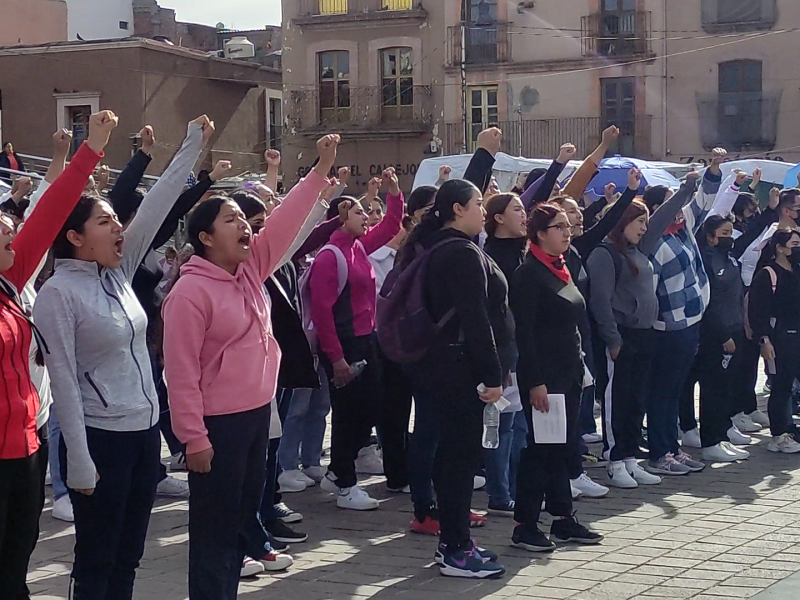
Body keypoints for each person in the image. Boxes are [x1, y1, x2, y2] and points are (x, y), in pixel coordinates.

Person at [35, 115, 207, 600]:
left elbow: (157, 205)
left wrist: (192, 144)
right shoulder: (59, 294)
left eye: (116, 219)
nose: (118, 229)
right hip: (99, 439)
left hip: (143, 432)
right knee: (97, 559)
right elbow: (64, 382)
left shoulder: (118, 271)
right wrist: (80, 462)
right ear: (74, 236)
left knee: (130, 556)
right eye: (105, 221)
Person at [162, 134, 338, 599]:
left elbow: (282, 224)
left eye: (244, 218)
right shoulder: (189, 293)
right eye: (231, 220)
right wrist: (193, 438)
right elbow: (179, 374)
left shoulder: (249, 269)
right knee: (214, 531)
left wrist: (319, 173)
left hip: (257, 415)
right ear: (204, 237)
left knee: (240, 523)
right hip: (217, 427)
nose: (244, 225)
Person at [0, 114, 112, 600]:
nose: (12, 229)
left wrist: (91, 150)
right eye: (2, 225)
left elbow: (49, 214)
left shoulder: (10, 279)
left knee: (16, 560)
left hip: (26, 447)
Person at [398, 179, 506, 578]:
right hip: (457, 368)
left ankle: (456, 540)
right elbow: (476, 320)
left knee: (452, 457)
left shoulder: (432, 244)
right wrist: (493, 376)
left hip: (438, 365)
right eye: (478, 202)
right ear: (458, 209)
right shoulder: (459, 253)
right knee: (459, 459)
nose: (483, 209)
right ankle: (456, 548)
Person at [588, 172, 700, 487]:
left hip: (644, 335)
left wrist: (687, 189)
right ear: (623, 222)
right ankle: (614, 460)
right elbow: (601, 300)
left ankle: (629, 457)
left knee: (636, 400)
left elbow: (664, 218)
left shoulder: (640, 248)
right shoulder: (604, 253)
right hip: (620, 337)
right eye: (639, 221)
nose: (644, 227)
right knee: (617, 400)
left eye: (645, 222)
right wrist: (612, 340)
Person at [510, 202, 603, 553]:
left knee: (562, 448)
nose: (568, 232)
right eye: (560, 227)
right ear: (540, 234)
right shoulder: (529, 274)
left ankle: (563, 518)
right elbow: (525, 334)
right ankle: (525, 524)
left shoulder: (561, 266)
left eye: (568, 226)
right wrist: (535, 382)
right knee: (541, 451)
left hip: (569, 372)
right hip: (544, 379)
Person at [311, 169, 403, 510]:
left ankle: (337, 471)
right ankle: (346, 483)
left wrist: (394, 192)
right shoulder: (329, 256)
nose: (367, 216)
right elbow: (323, 313)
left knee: (371, 409)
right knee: (348, 415)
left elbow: (392, 225)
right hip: (344, 344)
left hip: (368, 339)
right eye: (358, 212)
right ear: (339, 219)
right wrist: (336, 359)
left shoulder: (358, 247)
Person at [482, 192, 528, 516]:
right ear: (498, 218)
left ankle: (515, 485)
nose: (524, 214)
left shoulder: (521, 251)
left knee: (520, 425)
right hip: (503, 352)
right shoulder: (491, 256)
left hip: (525, 348)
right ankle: (499, 493)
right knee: (503, 425)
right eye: (517, 209)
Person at [749, 228, 800, 453]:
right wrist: (764, 341)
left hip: (797, 333)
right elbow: (757, 311)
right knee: (781, 385)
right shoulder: (767, 274)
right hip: (780, 336)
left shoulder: (797, 270)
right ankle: (779, 435)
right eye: (794, 244)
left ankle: (790, 428)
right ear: (780, 247)